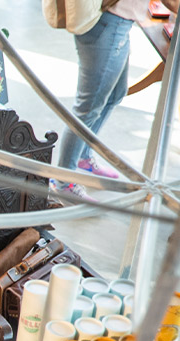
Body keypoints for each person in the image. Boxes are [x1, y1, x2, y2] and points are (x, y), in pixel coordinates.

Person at [54, 0, 178, 200]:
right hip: (107, 21)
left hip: (117, 21)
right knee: (88, 106)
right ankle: (62, 181)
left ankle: (82, 157)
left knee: (115, 94)